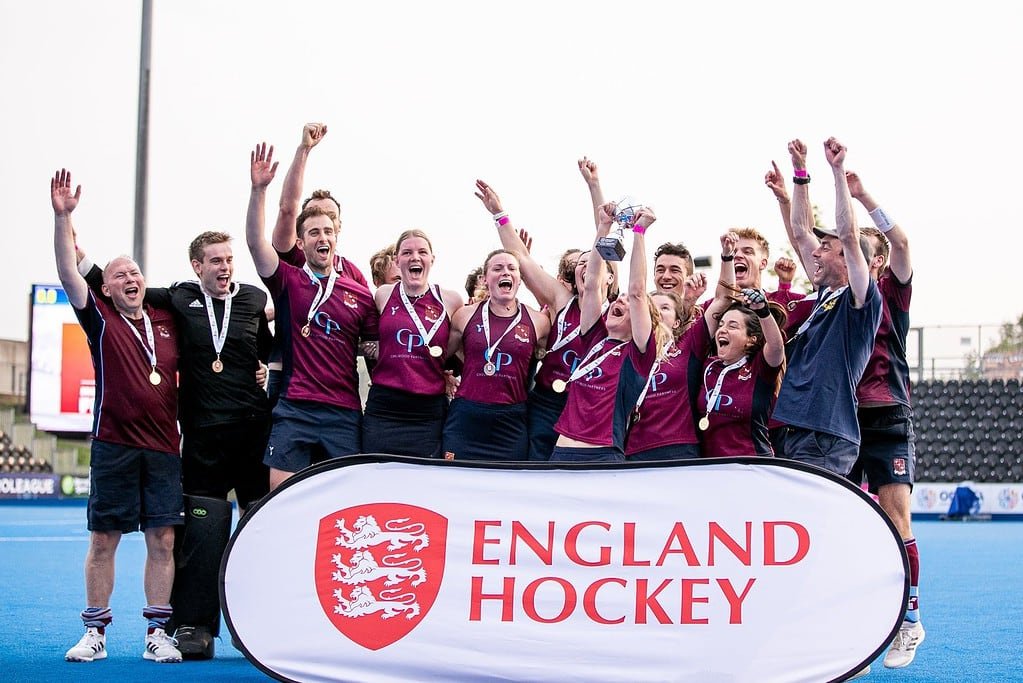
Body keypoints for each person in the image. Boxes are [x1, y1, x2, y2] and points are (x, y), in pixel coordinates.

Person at [79, 230, 273, 657]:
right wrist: (80, 257)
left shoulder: (255, 300)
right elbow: (121, 289)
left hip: (251, 434)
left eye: (228, 259)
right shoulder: (178, 299)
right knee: (199, 538)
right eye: (215, 261)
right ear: (197, 267)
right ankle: (194, 627)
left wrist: (265, 372)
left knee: (260, 529)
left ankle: (266, 623)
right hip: (202, 438)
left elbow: (271, 350)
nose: (224, 267)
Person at [52, 169, 184, 664]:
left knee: (163, 539)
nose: (129, 279)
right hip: (113, 446)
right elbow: (69, 271)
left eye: (135, 273)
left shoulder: (168, 320)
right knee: (103, 539)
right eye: (118, 275)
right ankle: (95, 633)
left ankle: (157, 633)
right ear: (104, 288)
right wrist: (62, 218)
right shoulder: (100, 320)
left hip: (164, 449)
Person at [246, 143, 378, 490]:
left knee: (341, 505)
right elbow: (257, 244)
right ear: (300, 243)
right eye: (314, 232)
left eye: (328, 231)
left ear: (337, 237)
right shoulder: (289, 279)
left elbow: (375, 344)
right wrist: (258, 190)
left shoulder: (360, 291)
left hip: (344, 411)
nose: (322, 237)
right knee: (280, 501)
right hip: (295, 408)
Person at [474, 162, 612, 462]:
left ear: (609, 274)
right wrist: (499, 213)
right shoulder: (561, 299)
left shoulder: (617, 312)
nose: (586, 266)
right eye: (580, 264)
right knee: (537, 472)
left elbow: (607, 236)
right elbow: (521, 257)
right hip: (546, 401)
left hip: (586, 403)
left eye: (594, 262)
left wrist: (594, 186)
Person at [844, 171, 924, 669]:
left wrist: (861, 196)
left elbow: (902, 241)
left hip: (889, 415)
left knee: (897, 522)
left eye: (859, 248)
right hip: (844, 421)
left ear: (875, 261)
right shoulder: (841, 296)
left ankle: (910, 623)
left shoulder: (892, 291)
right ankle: (863, 629)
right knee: (849, 522)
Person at [772, 138, 883, 475]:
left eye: (825, 247)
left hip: (826, 436)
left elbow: (850, 236)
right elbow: (800, 230)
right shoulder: (824, 296)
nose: (815, 253)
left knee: (815, 527)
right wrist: (801, 172)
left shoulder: (861, 301)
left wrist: (836, 172)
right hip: (796, 429)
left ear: (848, 260)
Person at [550, 202, 663, 463]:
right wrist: (603, 227)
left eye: (627, 304)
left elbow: (636, 291)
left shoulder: (639, 355)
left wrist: (639, 232)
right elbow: (591, 285)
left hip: (602, 456)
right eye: (617, 299)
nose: (619, 301)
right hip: (561, 454)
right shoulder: (594, 339)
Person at [265, 123, 368, 403]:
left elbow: (370, 327)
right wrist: (303, 151)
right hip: (288, 377)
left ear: (339, 227)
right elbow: (288, 207)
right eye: (312, 216)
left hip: (337, 388)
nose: (321, 225)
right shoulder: (295, 259)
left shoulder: (352, 274)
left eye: (330, 219)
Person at [442, 249, 550, 461]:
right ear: (484, 279)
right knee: (456, 484)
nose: (505, 273)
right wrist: (443, 377)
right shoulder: (465, 315)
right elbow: (437, 358)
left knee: (507, 489)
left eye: (512, 268)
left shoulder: (539, 322)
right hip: (467, 419)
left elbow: (555, 364)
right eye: (497, 268)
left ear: (520, 280)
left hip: (510, 422)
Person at [363, 229, 464, 457]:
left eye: (422, 252)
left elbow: (459, 349)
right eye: (407, 252)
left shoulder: (451, 300)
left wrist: (446, 373)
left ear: (432, 259)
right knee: (379, 483)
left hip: (427, 412)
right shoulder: (383, 294)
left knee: (423, 485)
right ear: (397, 260)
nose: (415, 257)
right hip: (385, 408)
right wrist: (376, 350)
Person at [696, 233, 786, 457]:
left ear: (752, 339)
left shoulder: (758, 369)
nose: (722, 330)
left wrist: (763, 311)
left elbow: (776, 348)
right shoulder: (708, 365)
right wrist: (726, 256)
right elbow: (722, 299)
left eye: (733, 326)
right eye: (722, 325)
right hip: (709, 466)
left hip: (752, 465)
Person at [623, 289, 704, 461]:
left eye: (665, 307)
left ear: (677, 322)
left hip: (679, 449)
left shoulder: (687, 347)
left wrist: (726, 260)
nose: (657, 311)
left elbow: (720, 300)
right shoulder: (628, 351)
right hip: (634, 449)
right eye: (651, 306)